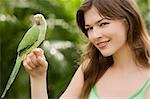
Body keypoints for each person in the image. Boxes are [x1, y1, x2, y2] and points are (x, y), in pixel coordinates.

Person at [23, 0, 150, 99]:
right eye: (89, 28)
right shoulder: (91, 69)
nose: (95, 35)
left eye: (103, 24)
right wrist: (38, 77)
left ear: (128, 20)